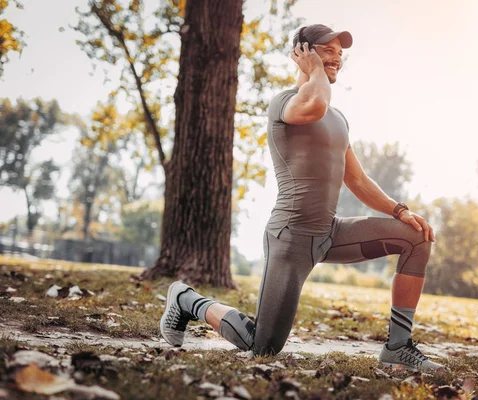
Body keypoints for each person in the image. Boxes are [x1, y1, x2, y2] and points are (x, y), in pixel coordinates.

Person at [160, 24, 444, 372]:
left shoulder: (339, 119)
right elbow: (314, 105)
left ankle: (398, 346)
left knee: (416, 237)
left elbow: (355, 178)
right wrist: (313, 72)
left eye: (341, 52)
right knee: (262, 346)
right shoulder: (286, 103)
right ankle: (186, 299)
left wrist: (400, 211)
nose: (337, 56)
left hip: (330, 233)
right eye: (328, 49)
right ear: (303, 52)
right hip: (291, 237)